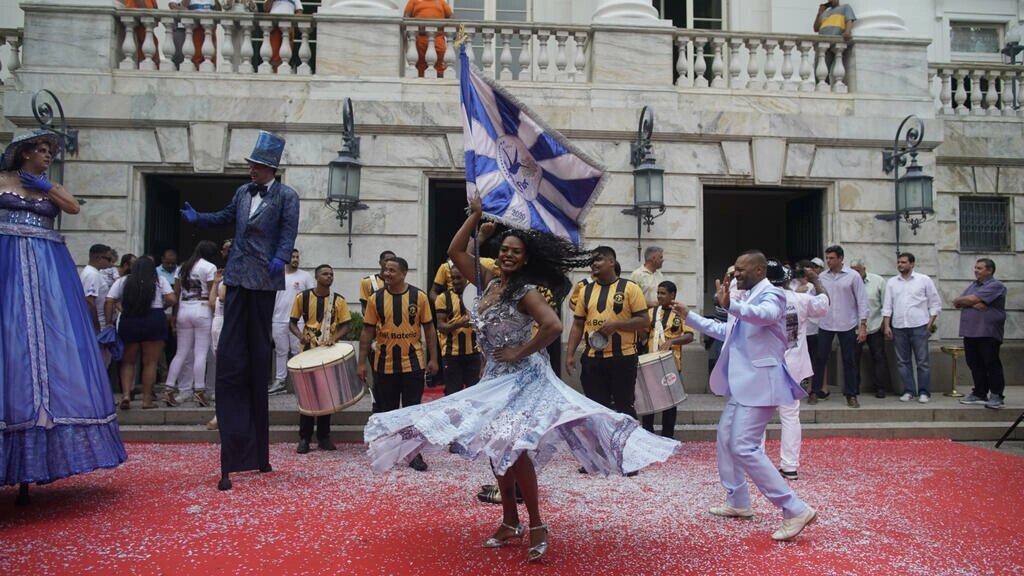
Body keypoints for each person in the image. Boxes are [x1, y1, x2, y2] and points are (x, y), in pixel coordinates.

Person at [364, 196, 679, 562]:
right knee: (499, 448)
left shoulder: (524, 291)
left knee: (515, 450)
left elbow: (554, 326)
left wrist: (519, 352)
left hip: (524, 377)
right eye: (505, 250)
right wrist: (476, 218)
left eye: (516, 252)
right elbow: (454, 250)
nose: (508, 255)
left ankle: (537, 524)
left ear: (526, 259)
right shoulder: (488, 282)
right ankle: (510, 521)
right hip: (495, 378)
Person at [0, 129, 127, 504]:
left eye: (49, 152)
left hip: (45, 271)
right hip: (9, 266)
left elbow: (72, 207)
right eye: (41, 151)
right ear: (24, 153)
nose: (47, 156)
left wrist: (44, 185)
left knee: (50, 348)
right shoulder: (2, 181)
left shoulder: (47, 187)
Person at [180, 130, 299, 491]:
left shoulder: (287, 196)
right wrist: (198, 217)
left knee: (259, 351)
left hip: (265, 278)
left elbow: (288, 231)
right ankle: (235, 449)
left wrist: (281, 256)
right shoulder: (242, 193)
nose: (252, 171)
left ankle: (258, 454)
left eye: (258, 167)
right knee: (233, 355)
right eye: (250, 165)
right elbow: (225, 217)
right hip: (238, 276)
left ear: (271, 168)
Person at [674, 250, 817, 541]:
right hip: (743, 385)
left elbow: (764, 317)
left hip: (762, 383)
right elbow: (726, 331)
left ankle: (794, 508)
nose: (736, 274)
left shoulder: (773, 296)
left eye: (742, 269)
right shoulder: (748, 297)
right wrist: (691, 317)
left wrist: (731, 304)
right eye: (735, 269)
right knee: (727, 439)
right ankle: (738, 501)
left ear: (761, 270)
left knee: (744, 446)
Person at [357, 256, 438, 471]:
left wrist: (433, 358)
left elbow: (429, 329)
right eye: (385, 270)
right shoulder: (375, 299)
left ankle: (413, 455)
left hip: (413, 362)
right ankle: (390, 452)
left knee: (412, 411)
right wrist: (361, 362)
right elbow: (367, 331)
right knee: (388, 410)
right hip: (384, 364)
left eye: (392, 270)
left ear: (403, 273)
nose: (387, 274)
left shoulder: (418, 296)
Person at [566, 246, 649, 420]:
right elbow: (577, 324)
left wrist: (617, 324)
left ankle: (628, 444)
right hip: (592, 359)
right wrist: (570, 355)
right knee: (595, 408)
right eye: (592, 260)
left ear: (611, 262)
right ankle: (600, 445)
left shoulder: (630, 288)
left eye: (599, 259)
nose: (594, 263)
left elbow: (644, 320)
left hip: (623, 358)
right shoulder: (585, 291)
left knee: (624, 406)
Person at [765, 259, 829, 481]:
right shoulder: (800, 299)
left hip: (764, 364)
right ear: (786, 280)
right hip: (793, 365)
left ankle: (757, 463)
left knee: (758, 415)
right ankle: (789, 466)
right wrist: (815, 279)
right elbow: (824, 303)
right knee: (791, 415)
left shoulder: (755, 300)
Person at [290, 264, 352, 453]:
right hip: (308, 351)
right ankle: (304, 438)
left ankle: (324, 437)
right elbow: (292, 322)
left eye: (331, 274)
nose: (329, 277)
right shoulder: (303, 297)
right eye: (325, 274)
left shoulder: (339, 301)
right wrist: (300, 335)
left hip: (327, 351)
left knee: (327, 394)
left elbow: (346, 325)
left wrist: (334, 338)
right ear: (316, 277)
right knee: (307, 395)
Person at [105, 256, 176, 409]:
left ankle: (125, 395)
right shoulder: (159, 280)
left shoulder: (123, 281)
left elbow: (110, 300)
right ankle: (146, 400)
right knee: (150, 363)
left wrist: (109, 322)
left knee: (128, 362)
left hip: (130, 319)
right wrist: (162, 308)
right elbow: (171, 299)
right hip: (153, 319)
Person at [162, 240, 219, 407]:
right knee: (201, 353)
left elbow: (177, 293)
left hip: (183, 310)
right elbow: (211, 294)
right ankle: (200, 391)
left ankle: (168, 389)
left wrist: (174, 316)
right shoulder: (209, 267)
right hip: (202, 310)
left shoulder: (182, 267)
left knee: (181, 353)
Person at [812, 245, 868, 408]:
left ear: (840, 258)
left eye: (832, 258)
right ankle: (815, 391)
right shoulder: (821, 277)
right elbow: (815, 299)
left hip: (847, 323)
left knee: (849, 360)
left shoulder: (853, 276)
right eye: (827, 258)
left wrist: (862, 325)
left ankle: (851, 394)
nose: (828, 261)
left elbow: (862, 300)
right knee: (820, 358)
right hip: (825, 323)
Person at [882, 252, 941, 403]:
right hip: (899, 326)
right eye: (899, 262)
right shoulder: (892, 282)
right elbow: (887, 305)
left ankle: (924, 392)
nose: (900, 265)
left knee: (922, 361)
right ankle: (909, 390)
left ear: (912, 264)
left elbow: (935, 303)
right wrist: (887, 325)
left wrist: (929, 323)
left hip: (919, 325)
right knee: (902, 361)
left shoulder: (923, 280)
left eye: (903, 262)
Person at [638, 281, 694, 440]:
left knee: (670, 402)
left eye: (663, 293)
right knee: (649, 401)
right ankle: (648, 435)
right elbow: (643, 335)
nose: (659, 296)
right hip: (650, 362)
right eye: (658, 293)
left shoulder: (680, 313)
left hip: (671, 364)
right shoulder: (651, 312)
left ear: (672, 295)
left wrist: (672, 342)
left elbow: (690, 336)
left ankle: (667, 437)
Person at [954, 258, 1007, 410]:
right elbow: (956, 302)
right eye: (975, 268)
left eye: (979, 268)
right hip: (970, 332)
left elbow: (971, 299)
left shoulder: (996, 285)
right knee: (974, 363)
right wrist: (968, 301)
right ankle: (979, 393)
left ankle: (997, 395)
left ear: (989, 270)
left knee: (991, 363)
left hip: (987, 332)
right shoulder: (973, 285)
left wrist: (969, 301)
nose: (975, 270)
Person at [270, 248, 314, 396]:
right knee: (281, 351)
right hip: (278, 319)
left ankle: (300, 382)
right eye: (292, 257)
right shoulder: (276, 274)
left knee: (297, 351)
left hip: (298, 321)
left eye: (297, 257)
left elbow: (312, 298)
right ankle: (280, 382)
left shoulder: (305, 276)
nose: (295, 259)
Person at [435, 265, 481, 396]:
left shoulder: (477, 295)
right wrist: (458, 324)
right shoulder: (442, 298)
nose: (454, 281)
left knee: (475, 394)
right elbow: (441, 327)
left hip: (474, 353)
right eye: (452, 278)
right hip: (451, 354)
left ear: (466, 277)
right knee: (453, 394)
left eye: (458, 278)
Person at [849, 258, 891, 398]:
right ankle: (854, 388)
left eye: (858, 271)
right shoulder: (848, 282)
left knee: (879, 357)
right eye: (853, 271)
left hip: (875, 325)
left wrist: (886, 325)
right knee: (853, 358)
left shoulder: (878, 281)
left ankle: (880, 388)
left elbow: (886, 304)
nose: (855, 274)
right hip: (854, 327)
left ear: (864, 268)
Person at [403, 0, 454, 77]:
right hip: (419, 39)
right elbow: (406, 17)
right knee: (420, 65)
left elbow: (451, 16)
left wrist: (453, 30)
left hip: (438, 38)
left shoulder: (441, 2)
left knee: (440, 65)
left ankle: (439, 83)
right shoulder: (413, 1)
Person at [80, 243, 116, 335]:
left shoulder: (91, 272)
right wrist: (96, 327)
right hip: (98, 325)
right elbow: (90, 302)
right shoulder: (93, 275)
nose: (111, 263)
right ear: (99, 258)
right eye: (109, 259)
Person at [264, 0, 302, 72]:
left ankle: (282, 70)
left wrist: (294, 23)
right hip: (274, 26)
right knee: (272, 51)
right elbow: (266, 9)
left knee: (285, 52)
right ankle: (274, 71)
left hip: (288, 27)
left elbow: (299, 11)